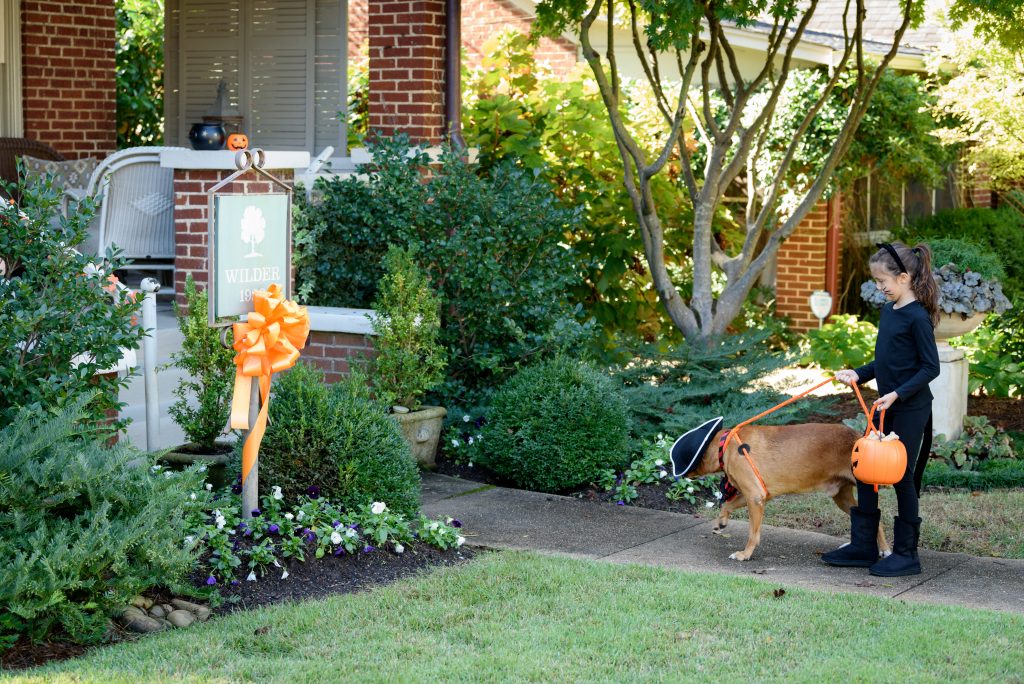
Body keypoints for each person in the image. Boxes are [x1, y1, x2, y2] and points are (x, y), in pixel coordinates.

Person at [823, 241, 940, 577]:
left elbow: (930, 368)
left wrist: (897, 395)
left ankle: (907, 555)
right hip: (884, 406)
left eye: (882, 281)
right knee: (865, 471)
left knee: (900, 476)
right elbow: (886, 361)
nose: (879, 288)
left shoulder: (917, 317)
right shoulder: (889, 311)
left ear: (903, 278)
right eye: (875, 281)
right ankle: (864, 546)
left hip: (909, 409)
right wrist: (858, 373)